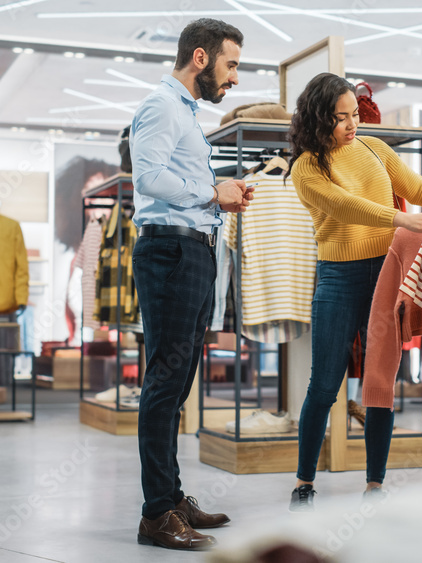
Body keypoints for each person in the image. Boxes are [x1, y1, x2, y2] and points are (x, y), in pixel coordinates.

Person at [287, 72, 422, 511]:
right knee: (324, 385)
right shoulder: (307, 167)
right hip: (338, 276)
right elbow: (345, 206)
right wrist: (401, 220)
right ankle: (304, 483)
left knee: (381, 379)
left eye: (354, 114)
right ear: (318, 119)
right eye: (340, 118)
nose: (351, 124)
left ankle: (375, 486)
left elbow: (417, 189)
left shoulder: (376, 150)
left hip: (387, 271)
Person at [129, 18, 253, 551]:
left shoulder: (184, 113)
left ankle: (171, 497)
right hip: (171, 251)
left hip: (190, 252)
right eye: (231, 65)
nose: (235, 79)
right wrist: (211, 195)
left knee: (177, 383)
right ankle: (157, 513)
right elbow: (147, 177)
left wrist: (219, 190)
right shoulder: (160, 105)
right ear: (200, 58)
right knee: (164, 382)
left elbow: (174, 177)